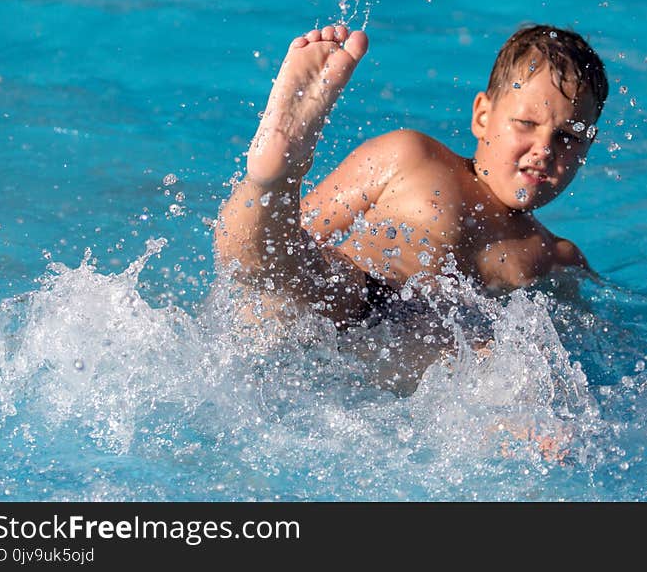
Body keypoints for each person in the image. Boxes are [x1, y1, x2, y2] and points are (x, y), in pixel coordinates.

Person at [214, 23, 608, 373]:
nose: (544, 148)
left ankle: (270, 182)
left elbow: (597, 341)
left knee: (509, 361)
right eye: (526, 124)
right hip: (357, 292)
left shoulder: (557, 256)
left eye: (569, 137)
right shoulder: (412, 155)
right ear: (482, 116)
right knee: (279, 257)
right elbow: (304, 227)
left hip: (431, 345)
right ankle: (277, 173)